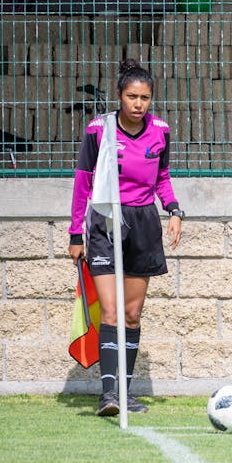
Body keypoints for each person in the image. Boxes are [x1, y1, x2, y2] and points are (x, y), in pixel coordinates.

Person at [67, 58, 185, 416]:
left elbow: (162, 177)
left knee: (132, 314)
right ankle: (108, 395)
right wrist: (76, 233)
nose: (138, 104)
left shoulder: (160, 130)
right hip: (105, 221)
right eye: (132, 96)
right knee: (112, 311)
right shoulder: (98, 130)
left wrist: (175, 209)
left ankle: (126, 392)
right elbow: (83, 180)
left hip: (144, 222)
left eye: (145, 98)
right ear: (119, 96)